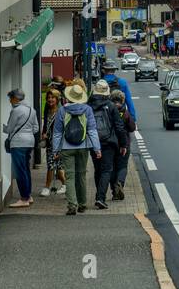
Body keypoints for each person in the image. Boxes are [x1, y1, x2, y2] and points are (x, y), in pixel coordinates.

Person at [51, 81, 101, 215]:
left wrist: (55, 150)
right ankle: (83, 204)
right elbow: (92, 130)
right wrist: (97, 148)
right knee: (81, 175)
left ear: (69, 96)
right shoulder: (87, 109)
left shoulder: (62, 110)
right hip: (84, 146)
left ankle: (72, 204)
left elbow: (57, 133)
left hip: (66, 148)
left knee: (70, 176)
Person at [89, 80, 127, 210]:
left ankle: (99, 195)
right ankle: (100, 198)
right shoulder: (110, 106)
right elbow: (119, 127)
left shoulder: (89, 105)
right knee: (107, 170)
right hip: (108, 142)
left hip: (93, 142)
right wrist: (123, 144)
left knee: (98, 169)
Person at [3, 89, 39, 207]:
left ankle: (24, 198)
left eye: (10, 98)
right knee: (26, 169)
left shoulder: (16, 110)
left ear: (15, 98)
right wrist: (27, 133)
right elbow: (36, 128)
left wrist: (2, 127)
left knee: (19, 171)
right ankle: (28, 195)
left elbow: (9, 129)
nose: (10, 101)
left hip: (18, 143)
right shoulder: (31, 110)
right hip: (29, 142)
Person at [109, 87, 136, 201]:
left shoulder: (108, 110)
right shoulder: (125, 112)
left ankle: (114, 192)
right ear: (122, 100)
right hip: (124, 143)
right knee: (123, 166)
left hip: (111, 142)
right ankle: (119, 182)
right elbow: (131, 128)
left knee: (112, 167)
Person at [40, 86, 67, 196]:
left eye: (53, 97)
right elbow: (46, 124)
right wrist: (44, 133)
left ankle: (47, 187)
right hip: (49, 142)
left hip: (59, 142)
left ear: (57, 99)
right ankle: (65, 185)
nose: (50, 99)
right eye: (48, 97)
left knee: (54, 165)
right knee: (54, 165)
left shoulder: (61, 111)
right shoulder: (47, 109)